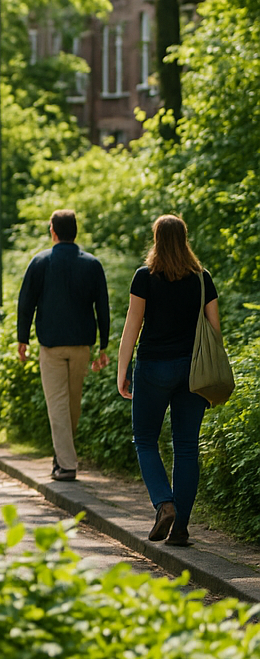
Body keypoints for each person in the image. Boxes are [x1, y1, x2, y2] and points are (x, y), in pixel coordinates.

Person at [115, 214, 219, 546]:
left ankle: (164, 503)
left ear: (156, 239)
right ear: (184, 239)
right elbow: (214, 330)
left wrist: (122, 371)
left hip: (153, 368)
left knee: (145, 439)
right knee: (186, 447)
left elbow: (132, 326)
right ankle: (181, 529)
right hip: (194, 370)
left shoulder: (144, 277)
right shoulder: (202, 279)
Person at [15, 209, 110, 482]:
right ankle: (64, 457)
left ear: (53, 231)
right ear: (75, 231)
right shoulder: (92, 264)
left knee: (58, 404)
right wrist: (103, 345)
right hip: (82, 345)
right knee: (72, 404)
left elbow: (26, 303)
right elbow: (102, 306)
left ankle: (66, 464)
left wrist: (23, 339)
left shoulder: (40, 262)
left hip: (51, 344)